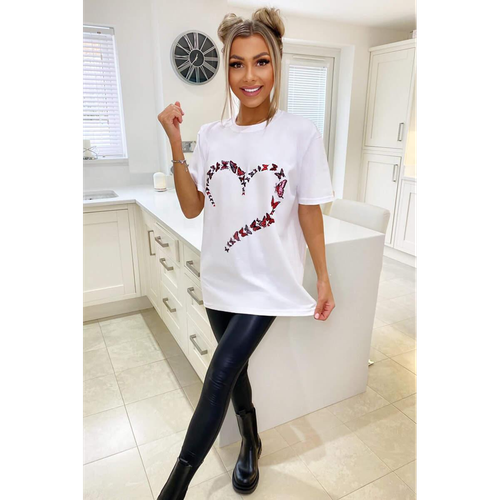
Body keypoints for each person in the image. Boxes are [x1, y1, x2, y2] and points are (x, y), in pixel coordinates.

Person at [156, 7, 336, 499]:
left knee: (219, 373)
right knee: (234, 371)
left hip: (269, 282)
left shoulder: (300, 133)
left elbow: (309, 211)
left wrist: (322, 277)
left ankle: (175, 487)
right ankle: (251, 440)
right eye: (237, 64)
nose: (249, 76)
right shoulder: (211, 136)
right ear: (227, 69)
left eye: (261, 62)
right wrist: (175, 141)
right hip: (221, 276)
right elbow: (192, 207)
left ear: (276, 65)